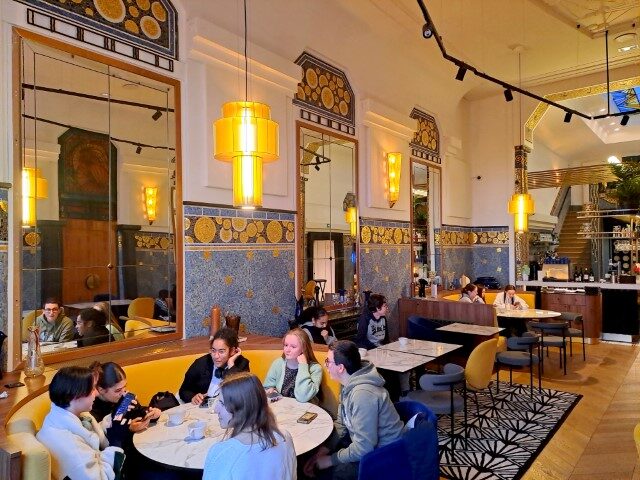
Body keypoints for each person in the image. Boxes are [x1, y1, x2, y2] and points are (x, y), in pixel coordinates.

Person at [303, 340, 403, 479]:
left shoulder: (363, 395)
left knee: (325, 474)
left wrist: (330, 460)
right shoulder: (347, 383)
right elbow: (342, 424)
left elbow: (364, 447)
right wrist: (323, 451)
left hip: (385, 455)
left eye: (328, 361)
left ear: (341, 368)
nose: (326, 365)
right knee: (312, 458)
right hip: (368, 447)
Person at [203, 372, 296, 480]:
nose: (216, 410)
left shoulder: (221, 454)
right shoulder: (284, 438)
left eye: (222, 404)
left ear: (242, 408)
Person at [36, 366, 124, 480]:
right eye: (92, 390)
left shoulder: (56, 419)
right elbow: (101, 477)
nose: (97, 393)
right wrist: (116, 442)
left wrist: (115, 421)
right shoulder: (71, 445)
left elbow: (92, 437)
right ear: (76, 396)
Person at [89, 361, 161, 478]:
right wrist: (129, 428)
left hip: (138, 449)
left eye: (125, 387)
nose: (123, 393)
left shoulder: (124, 397)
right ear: (101, 390)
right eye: (117, 390)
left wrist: (150, 413)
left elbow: (138, 411)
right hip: (119, 463)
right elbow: (102, 444)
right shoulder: (91, 408)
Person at [179, 327, 250, 405]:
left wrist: (231, 365)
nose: (216, 356)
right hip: (201, 408)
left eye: (221, 351)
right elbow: (184, 390)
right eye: (213, 350)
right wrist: (193, 397)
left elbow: (241, 395)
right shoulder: (201, 363)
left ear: (232, 351)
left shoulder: (242, 364)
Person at [263, 328, 323, 403]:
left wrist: (303, 366)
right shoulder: (278, 363)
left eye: (293, 347)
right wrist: (272, 390)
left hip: (306, 408)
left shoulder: (315, 369)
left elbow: (303, 397)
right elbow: (266, 387)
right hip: (283, 406)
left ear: (304, 348)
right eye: (286, 345)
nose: (287, 350)